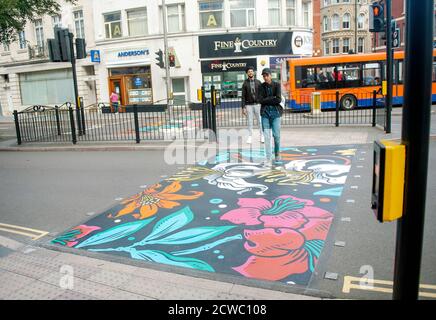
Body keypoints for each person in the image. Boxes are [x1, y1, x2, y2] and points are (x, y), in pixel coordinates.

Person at [259, 68, 283, 167]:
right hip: (265, 114)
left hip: (276, 114)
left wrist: (267, 99)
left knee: (276, 136)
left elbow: (278, 99)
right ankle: (268, 158)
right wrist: (271, 98)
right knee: (267, 137)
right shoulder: (261, 86)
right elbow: (260, 100)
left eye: (267, 75)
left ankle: (277, 153)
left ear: (270, 75)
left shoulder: (277, 85)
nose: (265, 77)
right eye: (264, 76)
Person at [241, 66, 264, 144]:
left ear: (254, 72)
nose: (250, 72)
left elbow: (262, 93)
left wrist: (262, 103)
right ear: (247, 73)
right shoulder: (245, 83)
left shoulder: (258, 82)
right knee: (250, 122)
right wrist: (243, 107)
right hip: (249, 105)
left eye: (251, 71)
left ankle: (262, 136)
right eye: (249, 71)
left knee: (260, 121)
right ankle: (250, 137)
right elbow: (243, 96)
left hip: (258, 104)